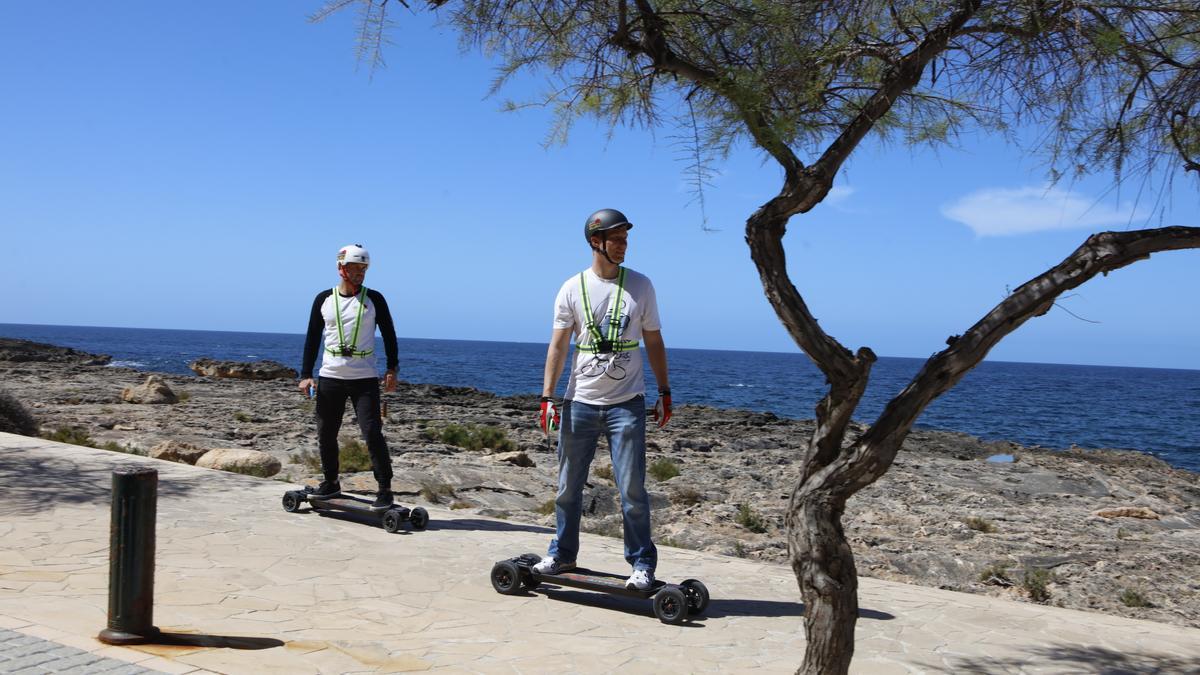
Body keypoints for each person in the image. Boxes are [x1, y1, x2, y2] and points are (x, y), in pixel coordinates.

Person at [536, 208, 673, 590]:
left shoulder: (642, 286)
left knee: (631, 489)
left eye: (626, 239)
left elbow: (654, 340)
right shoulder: (570, 288)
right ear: (596, 242)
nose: (624, 246)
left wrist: (664, 390)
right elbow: (559, 346)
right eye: (618, 239)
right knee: (567, 487)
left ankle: (642, 563)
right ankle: (562, 553)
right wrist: (548, 397)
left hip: (627, 403)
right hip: (579, 402)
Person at [298, 244, 399, 510]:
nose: (360, 273)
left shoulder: (374, 299)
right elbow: (311, 339)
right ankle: (331, 482)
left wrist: (392, 370)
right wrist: (306, 374)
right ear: (341, 268)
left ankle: (385, 489)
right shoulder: (323, 299)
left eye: (364, 268)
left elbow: (389, 335)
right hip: (330, 376)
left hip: (365, 378)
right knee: (326, 433)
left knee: (372, 432)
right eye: (355, 267)